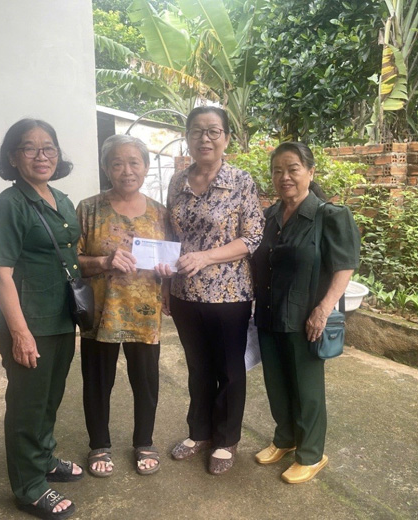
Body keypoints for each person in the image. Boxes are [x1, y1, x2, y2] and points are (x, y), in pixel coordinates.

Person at [0, 119, 83, 520]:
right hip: (29, 323)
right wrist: (20, 334)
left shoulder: (61, 199)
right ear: (13, 157)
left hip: (60, 317)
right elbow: (0, 273)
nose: (42, 156)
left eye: (49, 148)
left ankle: (43, 459)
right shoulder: (7, 206)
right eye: (30, 148)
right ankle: (28, 487)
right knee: (27, 405)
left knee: (50, 398)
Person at [251, 142, 360, 484]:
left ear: (310, 173)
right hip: (269, 313)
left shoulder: (330, 215)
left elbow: (345, 266)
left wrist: (323, 310)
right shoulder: (268, 216)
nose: (284, 177)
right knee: (276, 382)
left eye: (293, 169)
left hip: (305, 318)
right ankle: (285, 438)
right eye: (277, 170)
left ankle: (311, 454)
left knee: (306, 388)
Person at [166, 106, 264, 475]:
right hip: (184, 293)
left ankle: (226, 439)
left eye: (213, 131)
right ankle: (199, 432)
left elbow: (252, 237)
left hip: (229, 294)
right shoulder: (178, 181)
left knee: (230, 369)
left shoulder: (240, 181)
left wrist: (206, 257)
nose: (204, 138)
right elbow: (170, 236)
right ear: (187, 136)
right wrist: (166, 284)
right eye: (196, 130)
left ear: (226, 138)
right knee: (197, 366)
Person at [76, 134, 170, 477]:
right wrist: (104, 261)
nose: (126, 171)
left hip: (145, 314)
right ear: (106, 168)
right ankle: (99, 444)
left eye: (134, 163)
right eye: (117, 163)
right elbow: (72, 261)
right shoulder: (88, 209)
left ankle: (144, 441)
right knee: (97, 382)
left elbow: (171, 258)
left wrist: (167, 273)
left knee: (146, 382)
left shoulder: (160, 213)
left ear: (145, 167)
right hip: (101, 313)